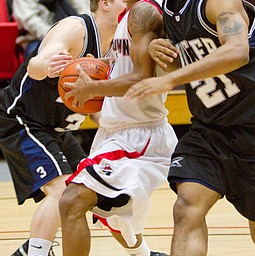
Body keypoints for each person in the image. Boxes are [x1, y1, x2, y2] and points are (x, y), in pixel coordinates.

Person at [124, 0, 255, 255]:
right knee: (187, 207)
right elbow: (191, 61)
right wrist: (162, 54)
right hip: (209, 127)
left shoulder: (217, 2)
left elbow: (237, 52)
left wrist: (170, 79)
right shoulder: (167, 10)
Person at [0, 1, 127, 255]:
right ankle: (36, 253)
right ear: (106, 3)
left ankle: (141, 252)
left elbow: (95, 106)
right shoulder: (75, 29)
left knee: (101, 190)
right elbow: (36, 65)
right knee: (61, 190)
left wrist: (120, 131)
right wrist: (48, 66)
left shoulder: (121, 42)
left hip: (58, 128)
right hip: (21, 118)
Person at [58, 0, 178, 255]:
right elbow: (124, 65)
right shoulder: (126, 15)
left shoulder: (143, 12)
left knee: (72, 202)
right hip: (115, 132)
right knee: (114, 217)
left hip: (138, 136)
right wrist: (99, 68)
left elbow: (141, 78)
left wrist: (93, 88)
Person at [12, 0, 84, 58]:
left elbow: (84, 10)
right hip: (36, 39)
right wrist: (58, 36)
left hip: (74, 36)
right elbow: (31, 22)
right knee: (40, 57)